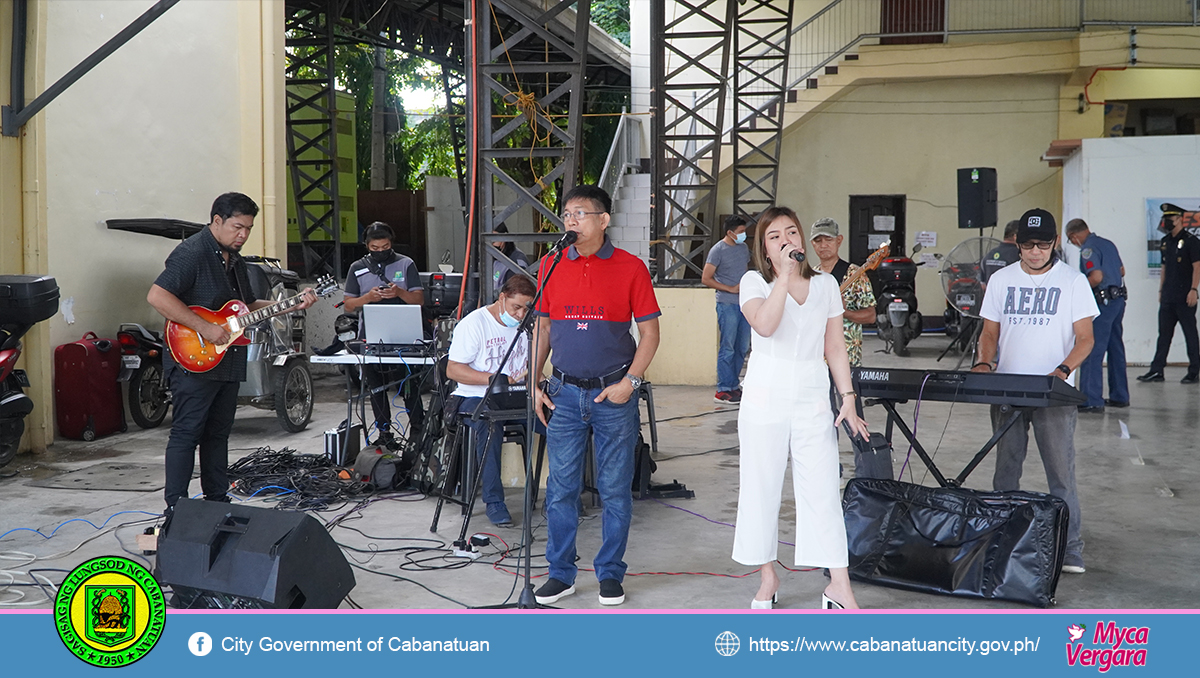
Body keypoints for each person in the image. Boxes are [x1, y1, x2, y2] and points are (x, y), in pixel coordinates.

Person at [731, 206, 869, 610]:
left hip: (811, 390)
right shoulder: (753, 281)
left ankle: (838, 585)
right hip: (765, 391)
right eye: (775, 236)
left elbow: (835, 347)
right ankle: (768, 577)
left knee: (823, 487)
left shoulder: (826, 285)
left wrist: (847, 397)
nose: (787, 239)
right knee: (762, 486)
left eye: (791, 232)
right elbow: (766, 325)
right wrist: (783, 278)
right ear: (765, 248)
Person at [531, 185, 661, 607]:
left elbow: (650, 333)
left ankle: (609, 574)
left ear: (603, 220)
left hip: (613, 395)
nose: (571, 221)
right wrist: (534, 382)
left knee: (614, 489)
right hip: (564, 393)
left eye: (581, 213)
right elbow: (544, 329)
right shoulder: (550, 265)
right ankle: (561, 573)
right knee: (561, 488)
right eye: (566, 213)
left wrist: (631, 383)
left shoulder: (630, 267)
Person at [148, 192, 315, 510]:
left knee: (217, 434)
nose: (243, 235)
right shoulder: (192, 253)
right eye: (238, 227)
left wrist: (289, 304)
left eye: (248, 229)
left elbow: (247, 307)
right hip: (193, 361)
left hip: (226, 360)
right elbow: (158, 296)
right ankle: (177, 508)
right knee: (186, 433)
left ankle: (217, 501)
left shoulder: (235, 260)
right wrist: (204, 328)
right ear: (217, 221)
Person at [972, 208, 1097, 574]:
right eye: (1028, 245)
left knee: (1060, 473)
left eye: (1043, 245)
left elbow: (1086, 338)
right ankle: (998, 539)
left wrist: (1061, 371)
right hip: (1009, 387)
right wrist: (984, 363)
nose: (1036, 252)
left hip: (1052, 392)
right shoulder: (1001, 281)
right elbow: (990, 332)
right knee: (1006, 471)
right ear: (1018, 245)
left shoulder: (1073, 282)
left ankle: (1071, 549)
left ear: (1055, 243)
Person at [445, 274, 536, 527]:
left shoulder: (527, 325)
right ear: (502, 297)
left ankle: (564, 496)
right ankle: (494, 501)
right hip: (473, 397)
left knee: (558, 418)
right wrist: (494, 379)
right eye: (516, 307)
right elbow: (453, 370)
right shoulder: (474, 323)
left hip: (515, 395)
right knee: (490, 424)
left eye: (526, 309)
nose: (520, 314)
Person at [342, 222, 426, 444]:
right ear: (367, 246)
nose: (380, 251)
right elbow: (348, 306)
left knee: (409, 384)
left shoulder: (406, 264)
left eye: (385, 246)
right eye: (375, 248)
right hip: (370, 336)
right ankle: (384, 434)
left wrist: (399, 292)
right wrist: (368, 298)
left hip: (405, 336)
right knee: (376, 388)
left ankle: (418, 432)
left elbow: (419, 300)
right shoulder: (356, 268)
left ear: (392, 243)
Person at [1065, 218, 1128, 412]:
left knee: (1091, 348)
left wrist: (1078, 291)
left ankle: (1090, 399)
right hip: (1118, 301)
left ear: (1074, 236)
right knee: (1115, 347)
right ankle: (1120, 396)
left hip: (1102, 303)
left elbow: (1096, 277)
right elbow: (1122, 270)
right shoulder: (1107, 243)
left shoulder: (1088, 249)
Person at [1138, 203, 1200, 384]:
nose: (1167, 223)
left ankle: (1194, 370)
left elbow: (1197, 267)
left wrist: (1194, 290)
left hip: (1185, 296)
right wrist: (1160, 289)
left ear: (1180, 219)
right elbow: (1164, 267)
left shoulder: (1191, 241)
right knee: (1164, 335)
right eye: (1165, 220)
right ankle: (1157, 370)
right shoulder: (1166, 242)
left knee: (1190, 334)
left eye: (1170, 220)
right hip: (1168, 296)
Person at [702, 215, 753, 404]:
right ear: (729, 233)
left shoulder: (743, 248)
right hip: (727, 303)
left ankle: (733, 385)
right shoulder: (718, 250)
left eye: (744, 231)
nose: (743, 235)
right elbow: (706, 278)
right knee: (728, 347)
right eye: (740, 232)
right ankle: (723, 389)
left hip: (745, 303)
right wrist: (730, 289)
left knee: (742, 346)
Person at [490, 223, 530, 294]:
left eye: (493, 242)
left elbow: (514, 294)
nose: (490, 246)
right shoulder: (492, 257)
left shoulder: (517, 262)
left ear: (504, 239)